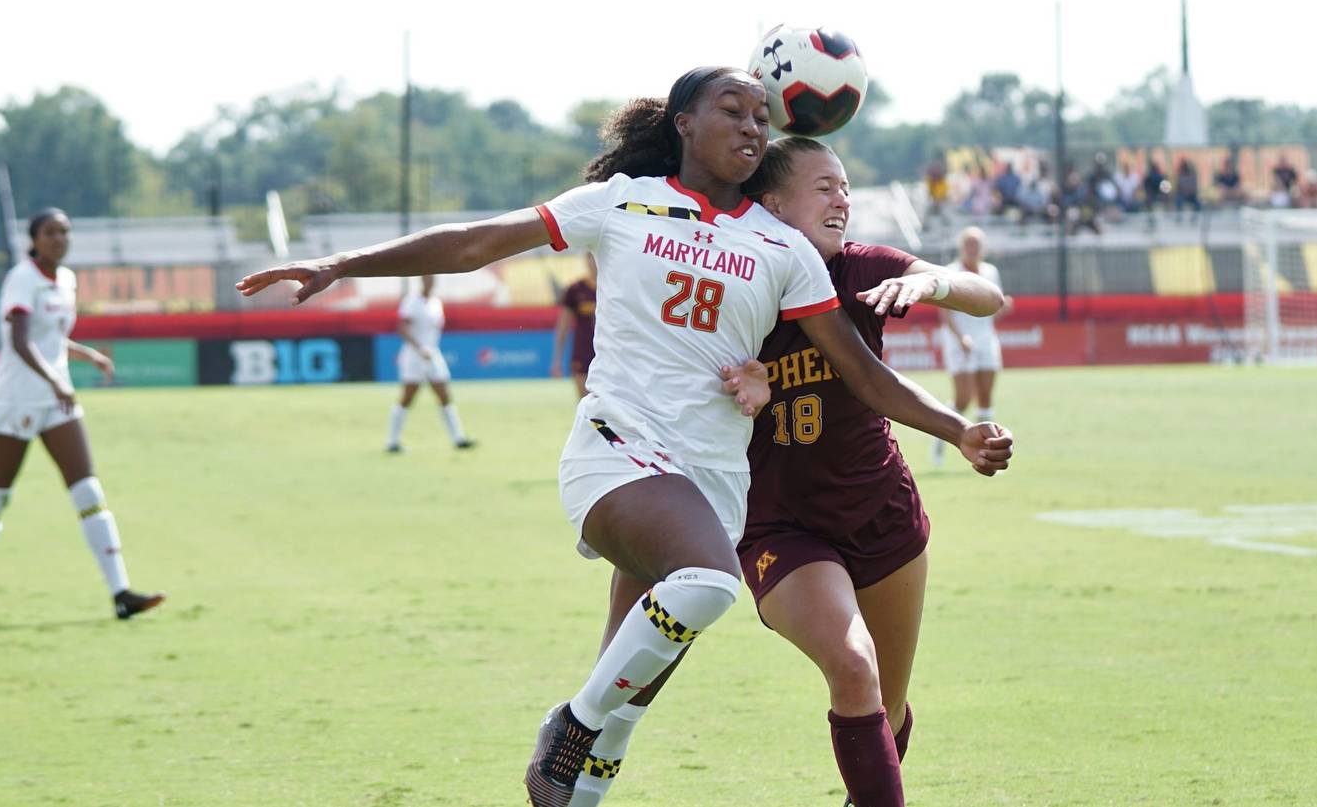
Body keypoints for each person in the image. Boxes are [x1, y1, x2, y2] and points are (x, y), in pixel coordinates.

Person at [232, 67, 1014, 807]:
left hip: (714, 489)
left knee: (629, 694)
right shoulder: (620, 202)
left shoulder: (784, 250)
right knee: (707, 588)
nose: (752, 124)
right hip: (619, 452)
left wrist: (955, 429)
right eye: (732, 111)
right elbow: (475, 242)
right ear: (683, 123)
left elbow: (862, 373)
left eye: (761, 115)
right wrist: (343, 261)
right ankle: (569, 720)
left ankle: (583, 759)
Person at [572, 137, 1009, 807]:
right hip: (780, 525)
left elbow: (989, 298)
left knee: (886, 713)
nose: (842, 199)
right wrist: (740, 389)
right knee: (853, 667)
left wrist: (932, 281)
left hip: (882, 513)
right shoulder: (732, 275)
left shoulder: (862, 268)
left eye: (845, 187)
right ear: (772, 205)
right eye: (824, 187)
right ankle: (589, 745)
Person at [0, 208, 166, 624]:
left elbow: (50, 338)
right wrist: (55, 380)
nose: (59, 239)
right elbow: (19, 341)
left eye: (65, 232)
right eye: (50, 232)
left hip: (56, 402)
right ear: (34, 240)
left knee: (88, 492)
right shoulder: (22, 278)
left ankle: (121, 594)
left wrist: (86, 355)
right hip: (16, 401)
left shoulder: (66, 280)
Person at [931, 226, 1011, 467]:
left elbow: (991, 308)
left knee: (985, 397)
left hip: (986, 339)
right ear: (961, 247)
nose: (972, 249)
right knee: (963, 399)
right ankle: (940, 439)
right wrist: (961, 338)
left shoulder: (990, 272)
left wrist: (1003, 309)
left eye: (976, 245)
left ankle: (989, 455)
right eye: (968, 244)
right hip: (959, 342)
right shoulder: (951, 272)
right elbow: (944, 312)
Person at [386, 274, 474, 451]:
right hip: (414, 356)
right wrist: (419, 348)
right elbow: (402, 328)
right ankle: (392, 441)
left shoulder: (436, 302)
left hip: (433, 354)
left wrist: (428, 349)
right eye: (427, 278)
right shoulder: (412, 301)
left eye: (433, 278)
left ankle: (458, 438)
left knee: (444, 395)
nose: (430, 281)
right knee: (408, 397)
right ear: (422, 280)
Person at [552, 255, 599, 397]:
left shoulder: (614, 287)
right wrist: (557, 359)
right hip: (583, 351)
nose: (593, 262)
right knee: (584, 400)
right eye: (590, 257)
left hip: (609, 352)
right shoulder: (576, 289)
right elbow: (563, 326)